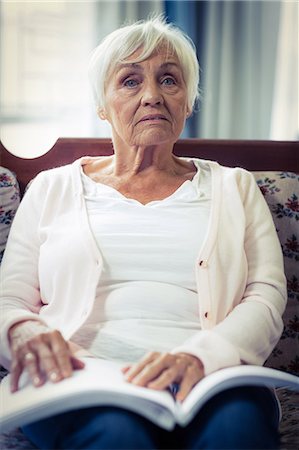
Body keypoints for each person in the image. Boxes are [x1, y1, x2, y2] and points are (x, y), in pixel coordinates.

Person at [0, 16, 286, 450]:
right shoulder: (52, 188)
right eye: (130, 81)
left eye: (169, 80)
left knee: (235, 433)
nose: (152, 95)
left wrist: (200, 356)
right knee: (117, 436)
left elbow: (265, 296)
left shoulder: (235, 187)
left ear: (188, 101)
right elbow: (9, 299)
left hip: (212, 378)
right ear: (102, 103)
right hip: (80, 376)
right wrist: (24, 332)